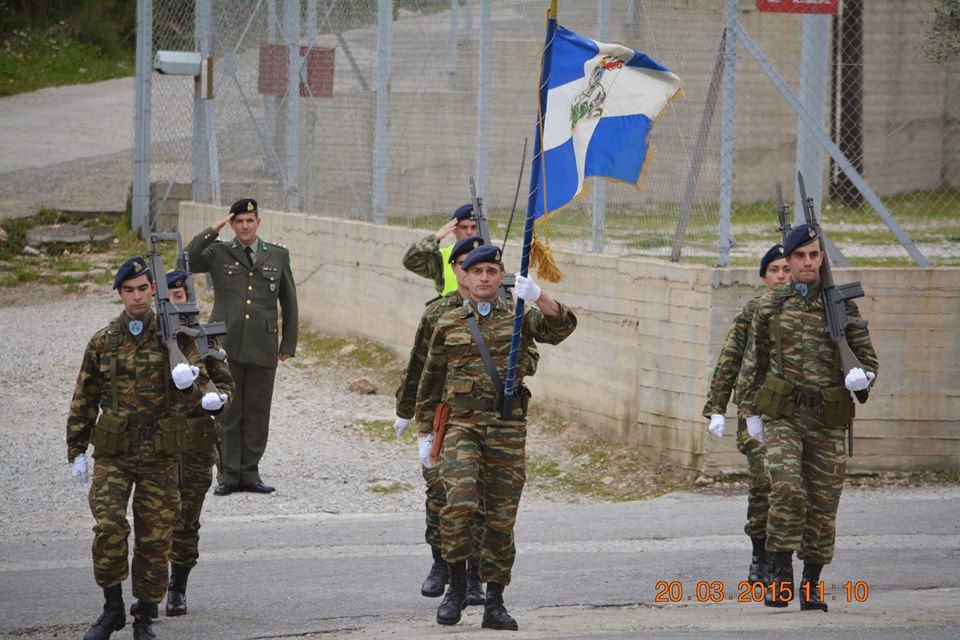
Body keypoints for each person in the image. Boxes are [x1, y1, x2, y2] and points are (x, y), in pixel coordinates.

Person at [414, 244, 577, 630]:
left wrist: (538, 295)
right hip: (461, 425)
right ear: (465, 278)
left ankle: (495, 601)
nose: (485, 277)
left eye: (491, 271)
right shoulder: (449, 321)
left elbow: (563, 327)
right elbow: (431, 377)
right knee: (459, 503)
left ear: (500, 276)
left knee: (501, 518)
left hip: (506, 428)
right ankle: (456, 586)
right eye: (477, 272)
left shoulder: (519, 316)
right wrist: (424, 430)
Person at [67, 257, 216, 640]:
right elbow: (84, 397)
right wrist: (77, 450)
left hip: (161, 453)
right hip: (115, 452)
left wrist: (189, 380)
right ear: (119, 293)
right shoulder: (104, 341)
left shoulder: (175, 338)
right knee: (109, 528)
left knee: (155, 538)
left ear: (154, 291)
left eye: (143, 289)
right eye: (129, 290)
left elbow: (203, 392)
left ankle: (145, 616)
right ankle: (112, 609)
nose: (137, 297)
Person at [738, 224, 878, 611]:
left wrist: (861, 376)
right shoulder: (772, 305)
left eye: (814, 255)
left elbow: (868, 361)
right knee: (785, 489)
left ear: (821, 258)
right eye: (799, 256)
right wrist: (750, 413)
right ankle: (781, 577)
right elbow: (753, 364)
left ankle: (812, 585)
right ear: (790, 257)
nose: (806, 263)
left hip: (828, 417)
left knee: (823, 501)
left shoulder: (842, 306)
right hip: (783, 415)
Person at [186, 198, 298, 495]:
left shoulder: (277, 255)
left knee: (257, 411)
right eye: (239, 221)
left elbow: (289, 301)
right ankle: (228, 475)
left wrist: (288, 342)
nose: (245, 226)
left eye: (250, 221)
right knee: (227, 410)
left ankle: (250, 472)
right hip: (226, 344)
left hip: (263, 344)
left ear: (258, 222)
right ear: (232, 224)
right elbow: (185, 260)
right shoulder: (218, 252)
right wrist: (214, 229)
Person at [702, 244, 790, 587]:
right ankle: (760, 556)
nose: (781, 276)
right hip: (757, 412)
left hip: (794, 416)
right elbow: (730, 359)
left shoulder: (808, 309)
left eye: (786, 269)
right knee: (763, 483)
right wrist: (716, 408)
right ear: (764, 276)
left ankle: (784, 560)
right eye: (774, 270)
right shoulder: (753, 311)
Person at [163, 270, 234, 617]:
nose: (176, 301)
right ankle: (150, 586)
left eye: (181, 294)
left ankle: (178, 587)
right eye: (170, 295)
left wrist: (217, 400)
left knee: (187, 520)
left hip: (195, 442)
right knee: (155, 518)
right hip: (158, 443)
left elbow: (227, 387)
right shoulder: (153, 338)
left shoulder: (206, 341)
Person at [402, 203, 479, 296]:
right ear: (454, 230)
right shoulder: (442, 257)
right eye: (464, 227)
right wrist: (435, 238)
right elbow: (410, 261)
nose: (469, 232)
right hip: (449, 309)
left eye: (474, 227)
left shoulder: (489, 255)